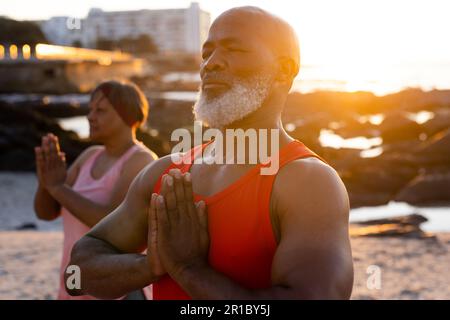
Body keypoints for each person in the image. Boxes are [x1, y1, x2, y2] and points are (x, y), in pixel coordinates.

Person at [68, 7, 354, 300]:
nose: (210, 65)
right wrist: (150, 266)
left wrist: (188, 269)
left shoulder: (307, 183)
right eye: (207, 53)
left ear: (282, 71)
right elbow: (76, 274)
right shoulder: (166, 174)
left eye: (235, 49)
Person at [34, 80, 157, 300]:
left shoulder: (141, 161)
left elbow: (111, 224)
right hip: (75, 281)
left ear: (127, 116)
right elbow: (46, 212)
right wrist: (45, 180)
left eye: (100, 110)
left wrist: (57, 187)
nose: (90, 116)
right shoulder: (89, 156)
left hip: (118, 291)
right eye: (90, 109)